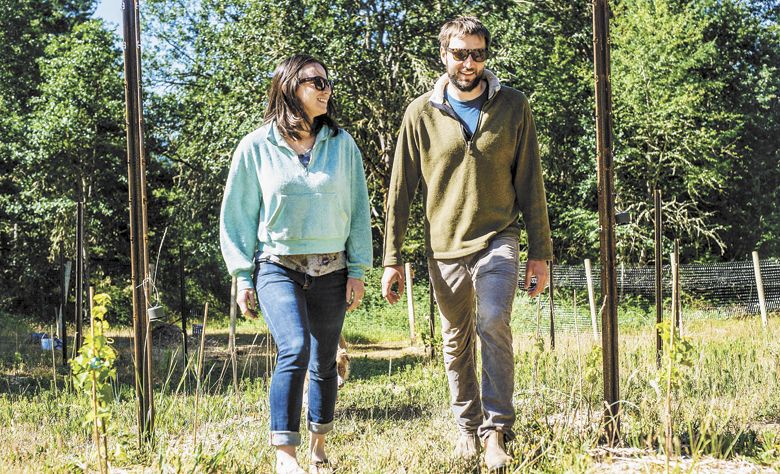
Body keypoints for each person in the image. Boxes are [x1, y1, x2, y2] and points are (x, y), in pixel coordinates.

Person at [381, 16, 552, 471]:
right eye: (460, 53)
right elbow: (400, 191)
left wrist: (540, 253)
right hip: (444, 247)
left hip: (499, 235)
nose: (469, 63)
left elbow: (531, 181)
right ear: (444, 55)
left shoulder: (513, 106)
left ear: (485, 56)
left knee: (493, 319)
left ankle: (496, 429)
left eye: (477, 53)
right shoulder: (420, 114)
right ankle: (466, 425)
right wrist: (392, 259)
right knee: (456, 339)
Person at [220, 54, 372, 474]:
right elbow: (238, 214)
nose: (326, 89)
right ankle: (285, 454)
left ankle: (319, 444)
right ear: (290, 86)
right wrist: (240, 275)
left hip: (332, 267)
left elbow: (359, 210)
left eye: (327, 82)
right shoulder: (256, 145)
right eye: (316, 82)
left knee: (324, 359)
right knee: (294, 348)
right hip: (277, 265)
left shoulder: (342, 145)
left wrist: (358, 269)